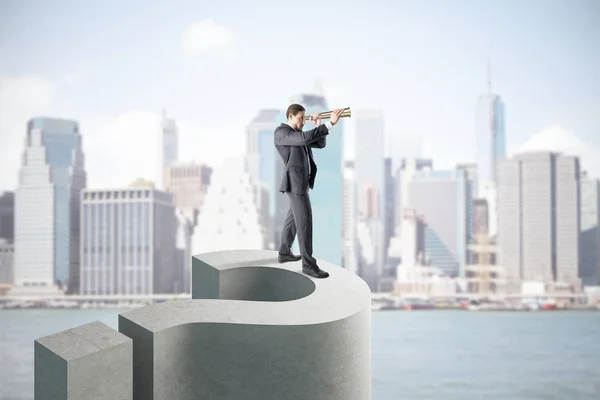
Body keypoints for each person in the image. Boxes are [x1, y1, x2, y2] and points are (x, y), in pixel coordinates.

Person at [274, 104, 345, 278]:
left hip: (302, 183)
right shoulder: (282, 133)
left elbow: (320, 144)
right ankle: (308, 265)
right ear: (290, 116)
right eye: (300, 118)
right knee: (305, 223)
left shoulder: (298, 134)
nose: (302, 122)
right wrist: (329, 124)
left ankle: (284, 252)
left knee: (293, 218)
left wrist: (317, 126)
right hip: (295, 184)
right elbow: (305, 139)